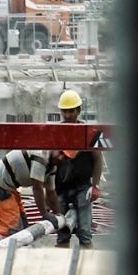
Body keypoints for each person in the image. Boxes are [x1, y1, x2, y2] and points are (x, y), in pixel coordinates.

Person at [51, 88, 104, 247]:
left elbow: (98, 160)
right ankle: (63, 267)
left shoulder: (89, 132)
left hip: (82, 188)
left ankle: (87, 266)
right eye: (64, 111)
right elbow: (49, 163)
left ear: (78, 110)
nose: (67, 115)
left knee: (85, 233)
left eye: (71, 111)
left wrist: (95, 186)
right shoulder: (55, 132)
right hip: (61, 189)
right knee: (62, 233)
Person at [0, 144, 55, 238]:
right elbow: (37, 188)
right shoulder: (40, 157)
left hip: (8, 190)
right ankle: (9, 251)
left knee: (23, 230)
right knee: (13, 233)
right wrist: (45, 214)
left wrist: (58, 214)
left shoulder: (52, 164)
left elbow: (51, 191)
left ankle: (18, 251)